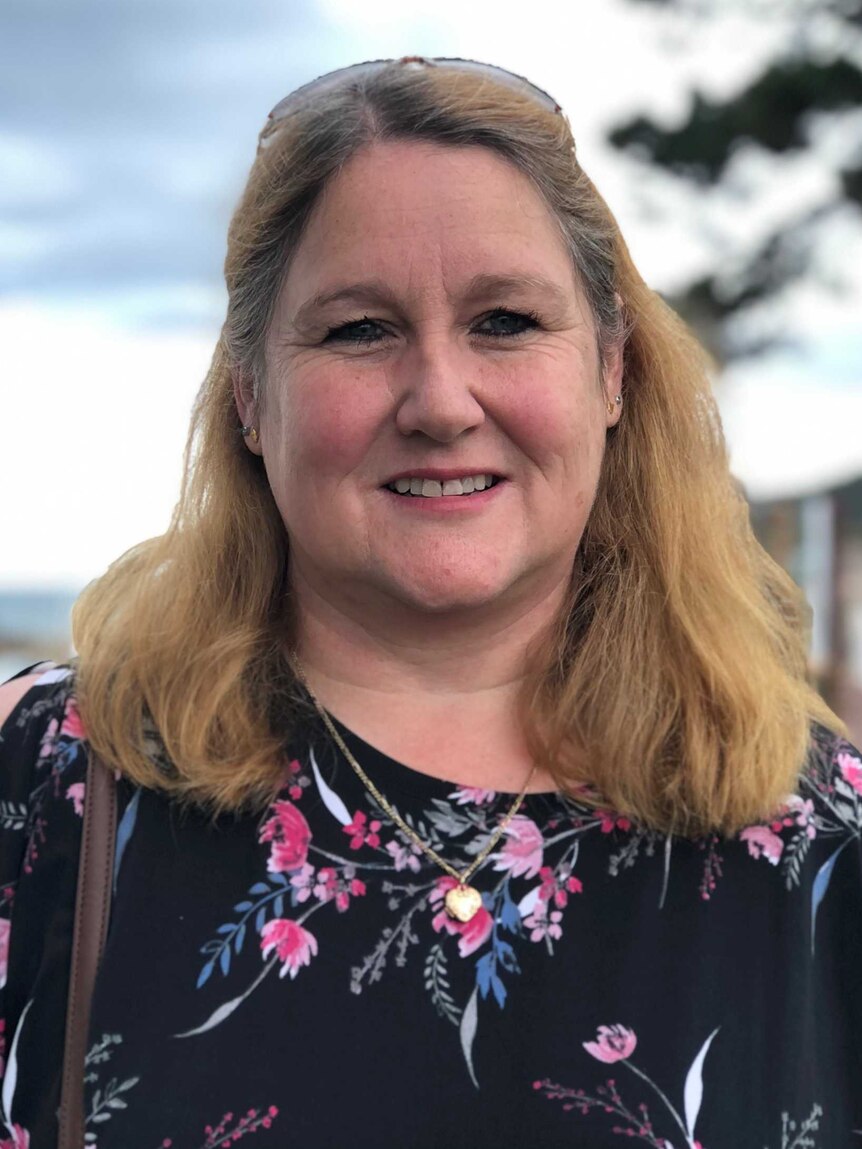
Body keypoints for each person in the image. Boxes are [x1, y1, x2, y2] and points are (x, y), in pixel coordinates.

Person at [1, 56, 860, 1149]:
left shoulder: (821, 841)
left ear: (609, 373)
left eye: (503, 320)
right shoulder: (47, 788)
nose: (440, 403)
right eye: (359, 330)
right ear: (251, 401)